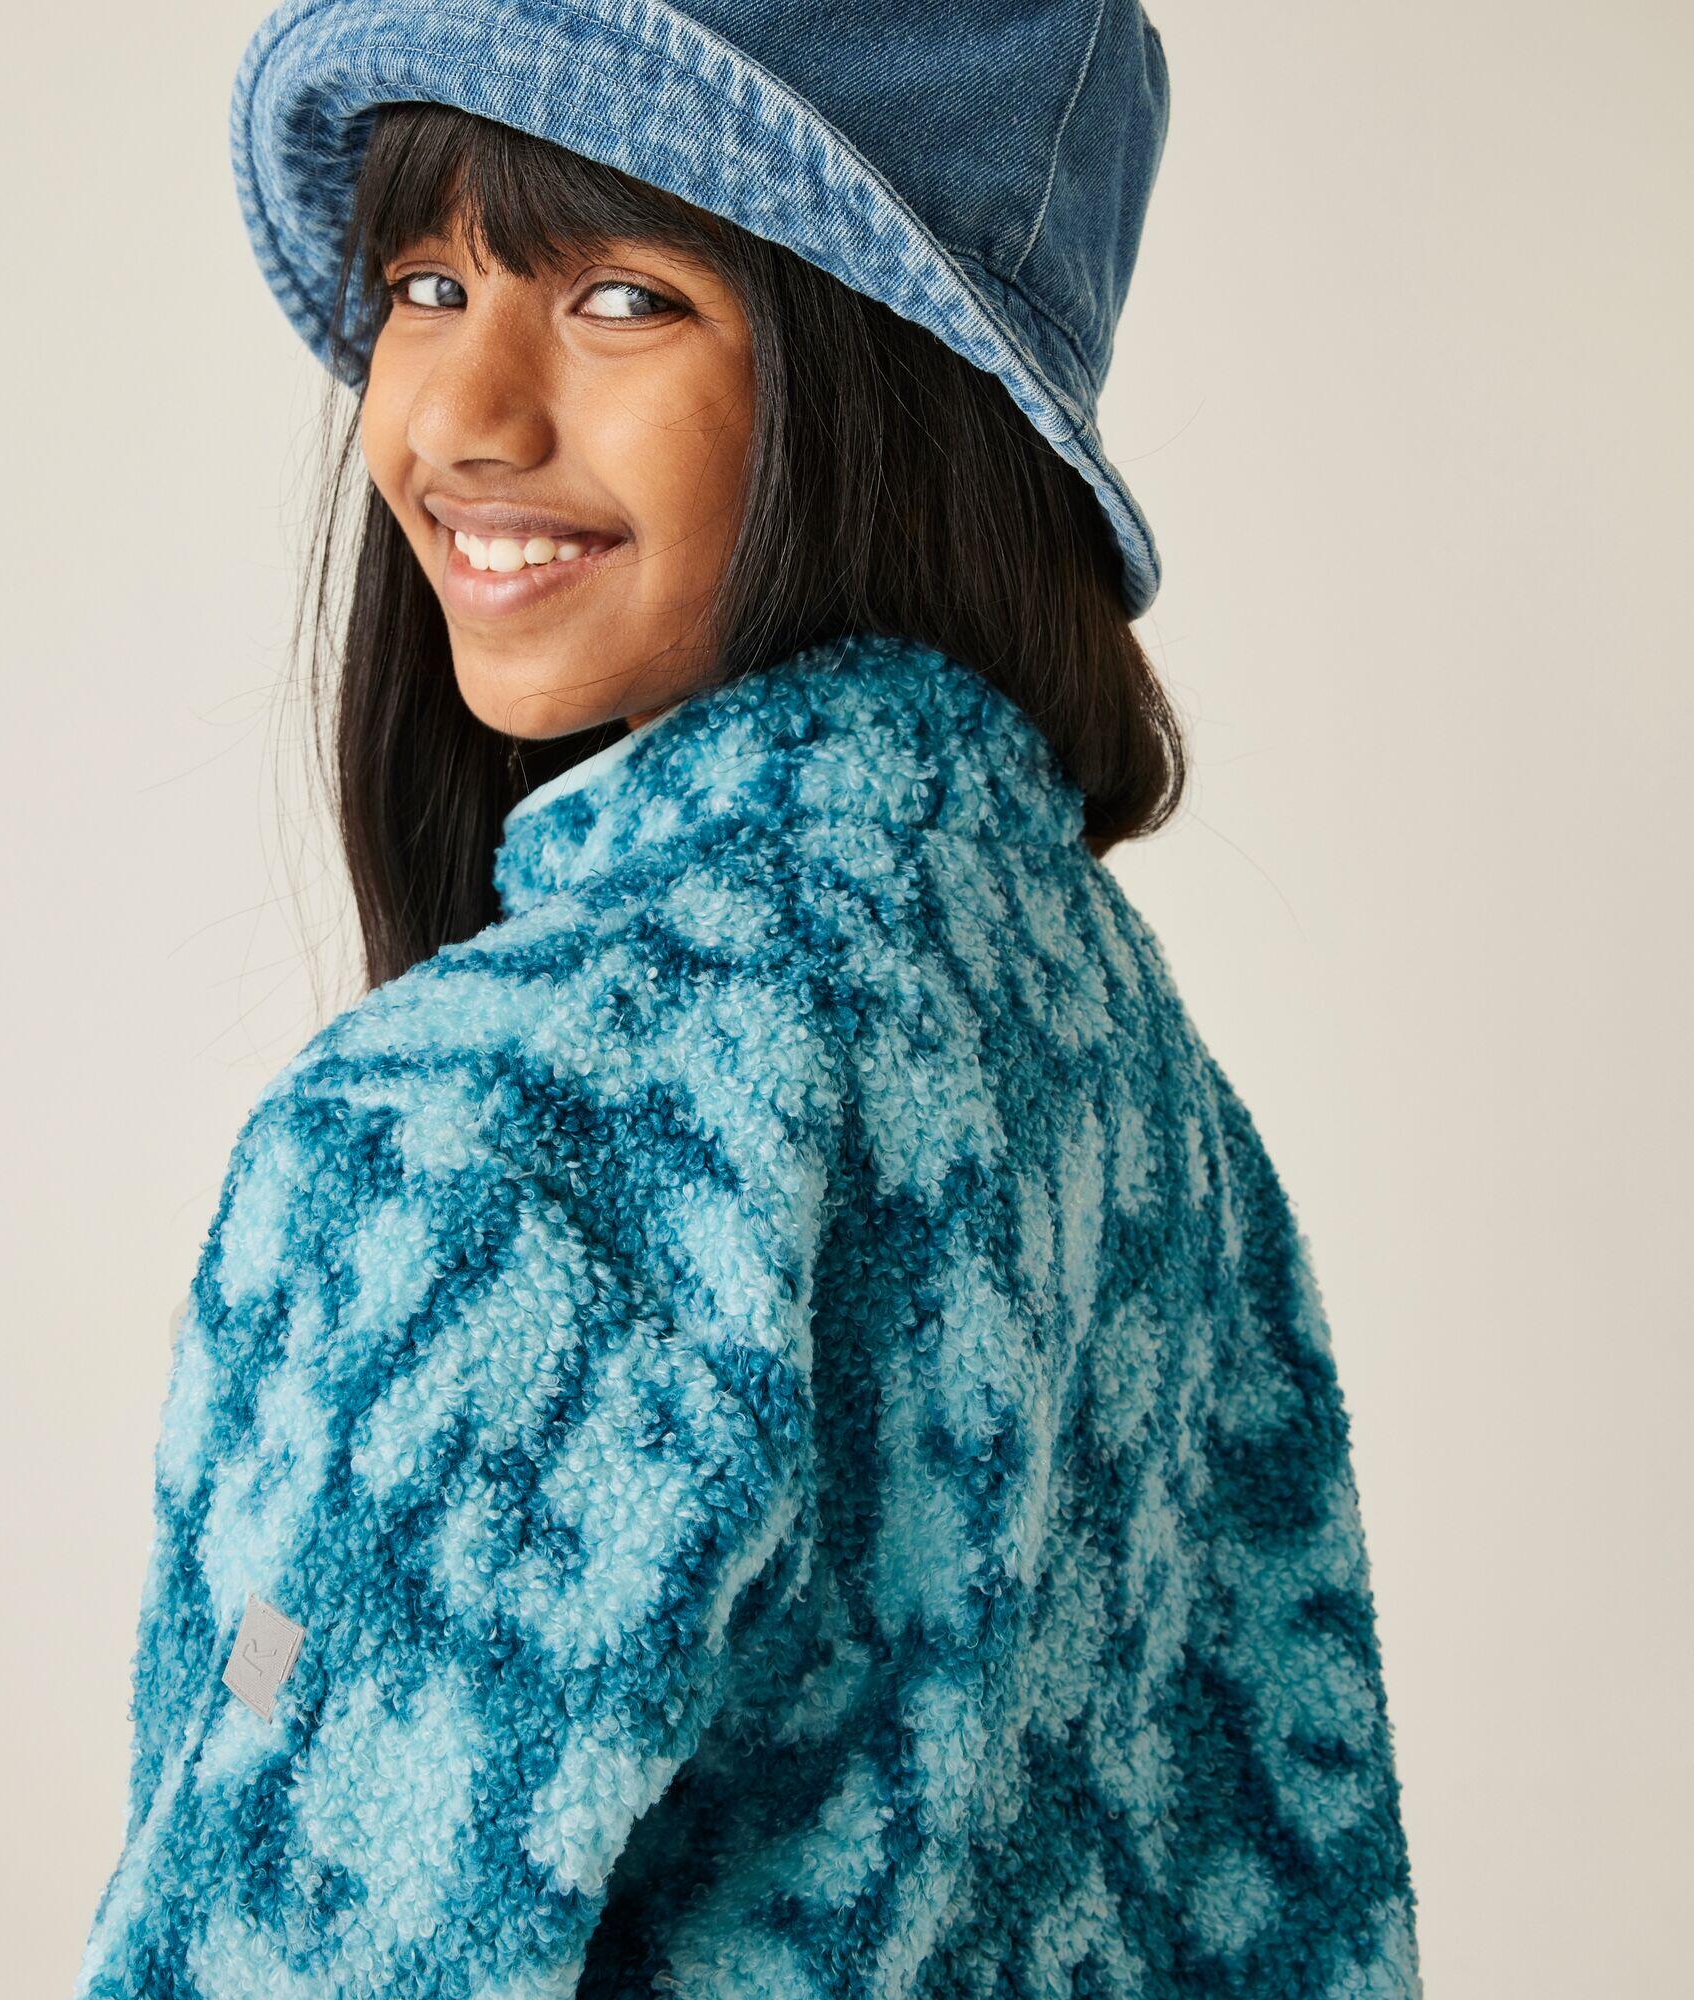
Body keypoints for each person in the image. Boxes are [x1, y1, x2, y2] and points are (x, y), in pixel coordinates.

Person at [74, 3, 1423, 1994]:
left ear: (883, 386)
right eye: (426, 284)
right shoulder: (1113, 1064)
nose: (459, 416)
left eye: (621, 296)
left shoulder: (513, 1118)